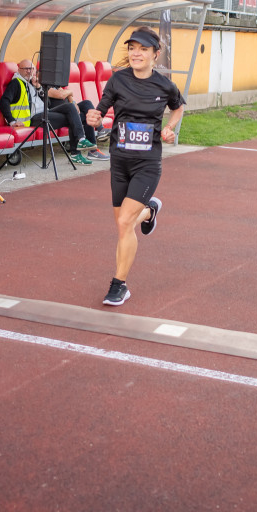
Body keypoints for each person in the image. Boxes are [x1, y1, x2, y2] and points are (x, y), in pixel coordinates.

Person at [85, 27, 184, 306]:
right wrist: (94, 116)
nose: (136, 53)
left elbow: (178, 107)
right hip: (119, 162)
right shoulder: (118, 81)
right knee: (122, 224)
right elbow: (101, 109)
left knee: (125, 221)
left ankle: (119, 285)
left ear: (155, 54)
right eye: (131, 48)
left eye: (142, 49)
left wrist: (170, 128)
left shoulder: (165, 86)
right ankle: (150, 210)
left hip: (147, 163)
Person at [0, 60, 101, 165]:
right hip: (34, 118)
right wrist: (12, 121)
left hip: (45, 112)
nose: (29, 71)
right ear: (19, 70)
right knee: (73, 116)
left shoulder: (32, 83)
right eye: (26, 69)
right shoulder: (16, 83)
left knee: (72, 108)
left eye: (31, 69)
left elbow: (47, 103)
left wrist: (38, 87)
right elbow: (3, 102)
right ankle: (79, 147)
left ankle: (80, 146)